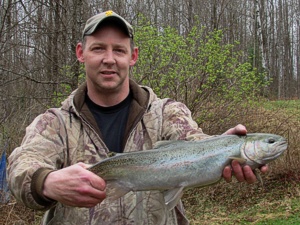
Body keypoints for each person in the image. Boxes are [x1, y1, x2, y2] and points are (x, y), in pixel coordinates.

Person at [7, 10, 267, 225]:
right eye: (98, 48)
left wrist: (223, 146)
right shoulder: (55, 123)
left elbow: (196, 145)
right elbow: (21, 165)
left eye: (119, 50)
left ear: (132, 56)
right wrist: (47, 182)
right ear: (80, 53)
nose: (109, 59)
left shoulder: (167, 113)